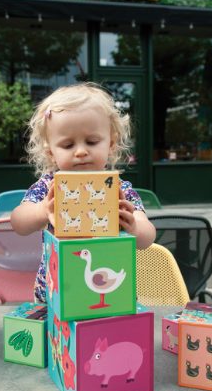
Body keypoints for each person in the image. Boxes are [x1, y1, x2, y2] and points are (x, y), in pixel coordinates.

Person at [11, 82, 156, 303]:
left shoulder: (119, 189)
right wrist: (42, 210)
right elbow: (18, 222)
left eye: (92, 141)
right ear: (51, 153)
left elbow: (147, 238)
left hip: (108, 294)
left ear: (111, 145)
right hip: (55, 292)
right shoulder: (48, 186)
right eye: (68, 145)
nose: (80, 151)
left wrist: (134, 226)